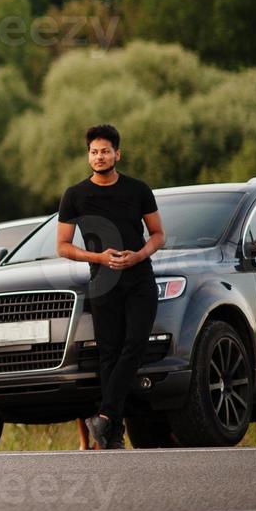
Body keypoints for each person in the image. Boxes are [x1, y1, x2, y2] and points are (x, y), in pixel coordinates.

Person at [55, 123, 165, 450]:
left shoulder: (138, 190)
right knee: (109, 354)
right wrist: (98, 258)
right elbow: (62, 246)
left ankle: (104, 417)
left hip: (139, 279)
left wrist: (139, 255)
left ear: (118, 153)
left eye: (105, 151)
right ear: (88, 156)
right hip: (103, 281)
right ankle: (112, 432)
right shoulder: (75, 195)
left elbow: (158, 235)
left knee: (135, 344)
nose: (99, 157)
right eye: (94, 152)